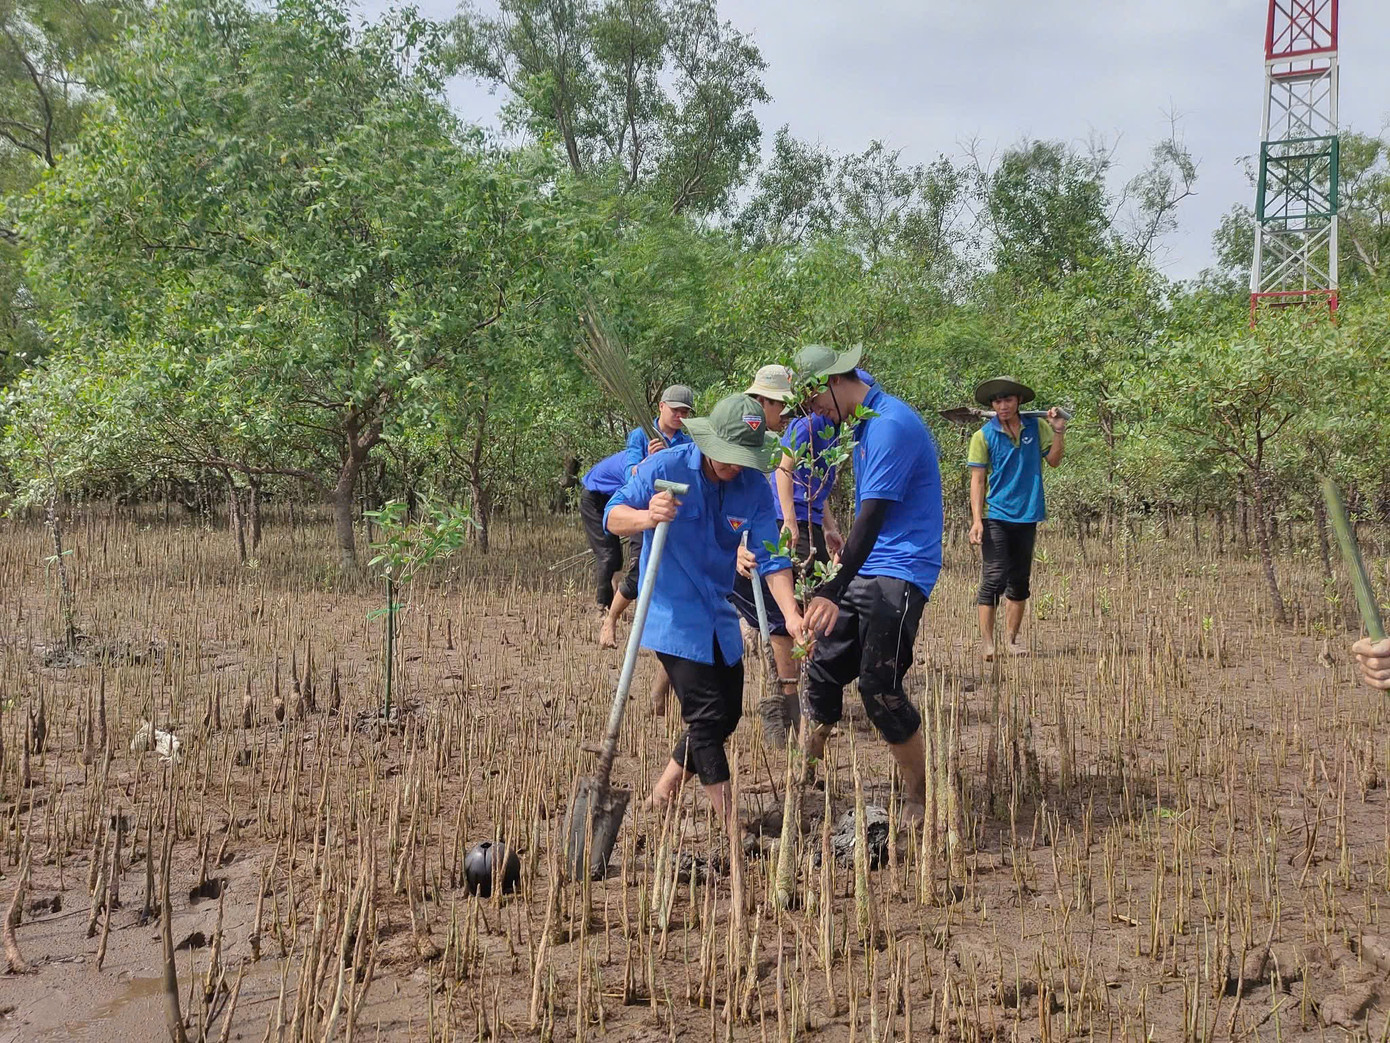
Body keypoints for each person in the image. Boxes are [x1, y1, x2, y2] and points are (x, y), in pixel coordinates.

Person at [604, 393, 808, 825]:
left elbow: (772, 557)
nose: (736, 467)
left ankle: (664, 789)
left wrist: (790, 614)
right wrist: (646, 517)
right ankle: (732, 826)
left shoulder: (752, 485)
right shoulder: (665, 468)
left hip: (718, 611)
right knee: (707, 716)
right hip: (672, 613)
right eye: (730, 457)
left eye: (745, 458)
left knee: (728, 713)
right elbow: (612, 516)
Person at [790, 344, 943, 822]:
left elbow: (872, 517)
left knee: (879, 685)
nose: (813, 412)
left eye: (814, 401)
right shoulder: (863, 418)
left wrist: (832, 588)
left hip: (901, 569)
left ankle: (921, 795)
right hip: (871, 565)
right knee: (823, 665)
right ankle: (803, 772)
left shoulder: (889, 426)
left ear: (835, 383)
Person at [727, 364, 846, 747]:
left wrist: (823, 524)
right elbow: (781, 475)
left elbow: (810, 481)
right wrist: (791, 525)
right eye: (768, 403)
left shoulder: (810, 427)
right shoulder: (796, 427)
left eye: (771, 402)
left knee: (787, 615)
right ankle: (788, 702)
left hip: (778, 521)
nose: (766, 410)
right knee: (779, 617)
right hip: (774, 522)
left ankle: (790, 699)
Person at [966, 376, 1067, 661]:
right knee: (994, 578)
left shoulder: (1037, 426)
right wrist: (976, 520)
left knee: (1020, 580)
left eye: (1008, 400)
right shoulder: (983, 436)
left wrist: (1059, 431)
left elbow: (1055, 460)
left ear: (1018, 401)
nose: (1002, 405)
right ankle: (988, 644)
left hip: (1028, 513)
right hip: (995, 514)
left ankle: (1011, 640)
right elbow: (977, 480)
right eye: (997, 401)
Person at [600, 385, 695, 650]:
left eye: (685, 412)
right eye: (675, 410)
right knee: (637, 577)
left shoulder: (688, 442)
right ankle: (611, 619)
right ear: (662, 407)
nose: (679, 416)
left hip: (676, 515)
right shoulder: (640, 436)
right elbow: (630, 473)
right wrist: (651, 460)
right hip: (644, 513)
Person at [577, 450, 629, 623]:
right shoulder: (633, 464)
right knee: (607, 555)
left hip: (608, 499)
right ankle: (601, 607)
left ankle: (614, 605)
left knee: (617, 558)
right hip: (594, 500)